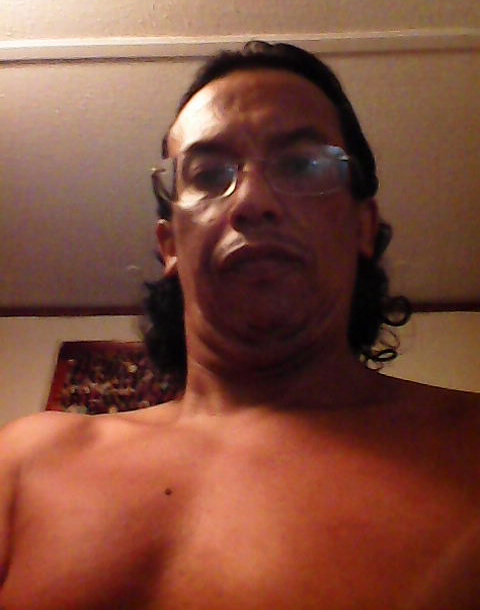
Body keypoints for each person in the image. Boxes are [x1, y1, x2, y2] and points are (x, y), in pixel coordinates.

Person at [1, 41, 479, 609]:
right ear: (170, 243)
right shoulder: (27, 463)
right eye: (208, 174)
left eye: (302, 165)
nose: (252, 201)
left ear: (362, 227)